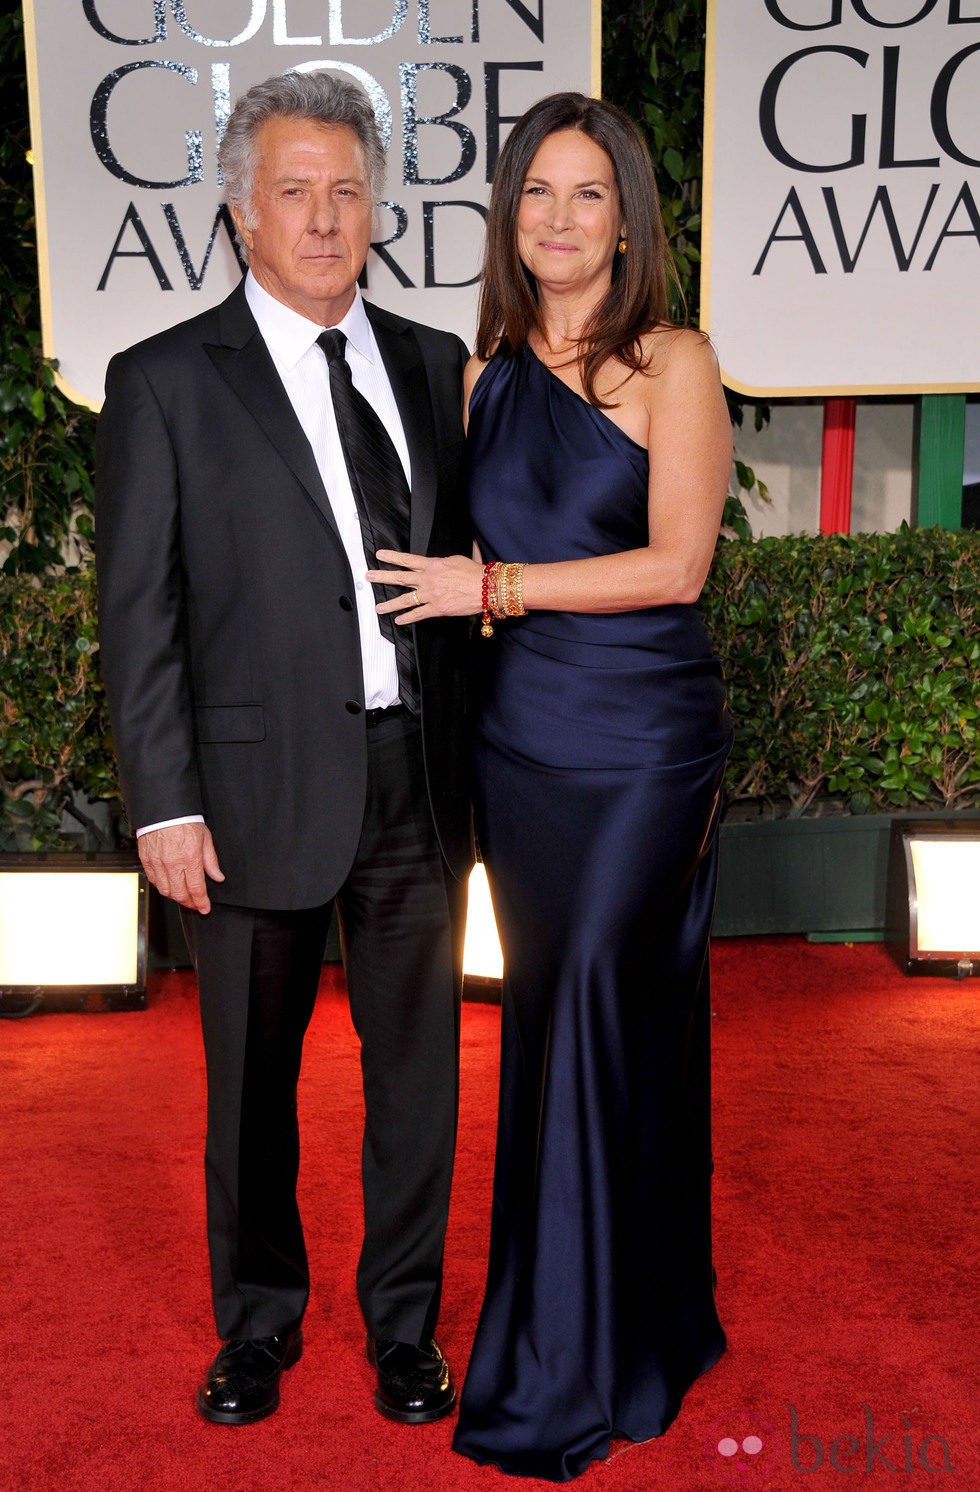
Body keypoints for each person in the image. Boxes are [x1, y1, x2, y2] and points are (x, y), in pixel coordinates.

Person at [95, 71, 472, 1428]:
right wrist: (163, 805)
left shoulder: (435, 365)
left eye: (348, 191)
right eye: (294, 192)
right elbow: (138, 613)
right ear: (243, 212)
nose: (324, 218)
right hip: (248, 796)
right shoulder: (163, 383)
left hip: (420, 785)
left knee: (416, 1079)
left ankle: (405, 1329)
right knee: (250, 1090)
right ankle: (256, 1329)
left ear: (378, 208)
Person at [365, 91, 734, 1480]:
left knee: (585, 989)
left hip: (642, 739)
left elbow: (678, 566)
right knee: (560, 1016)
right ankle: (629, 1322)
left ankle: (577, 1356)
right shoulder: (480, 377)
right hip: (519, 746)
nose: (561, 220)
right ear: (507, 217)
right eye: (537, 194)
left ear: (629, 218)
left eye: (590, 196)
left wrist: (494, 586)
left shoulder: (672, 361)